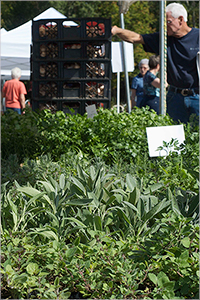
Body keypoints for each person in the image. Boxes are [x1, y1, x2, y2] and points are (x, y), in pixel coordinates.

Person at [112, 2, 199, 123]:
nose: (164, 26)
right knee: (175, 136)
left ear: (180, 20)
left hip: (197, 96)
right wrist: (117, 30)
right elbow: (136, 38)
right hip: (175, 97)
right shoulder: (163, 38)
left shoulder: (198, 37)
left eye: (168, 22)